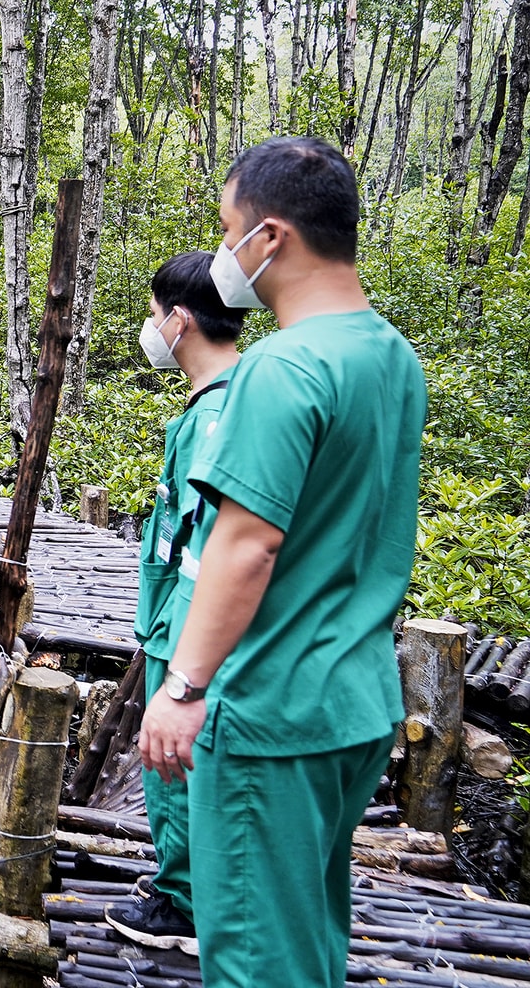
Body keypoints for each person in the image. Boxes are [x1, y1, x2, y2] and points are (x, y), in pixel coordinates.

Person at [138, 137, 426, 988]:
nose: (223, 252)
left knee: (258, 957)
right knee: (306, 936)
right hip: (357, 700)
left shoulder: (282, 367)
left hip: (271, 708)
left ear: (270, 238)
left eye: (227, 231)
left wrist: (183, 687)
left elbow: (248, 541)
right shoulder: (391, 356)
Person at [104, 251, 246, 955]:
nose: (151, 327)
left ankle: (184, 903)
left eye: (155, 314)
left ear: (180, 320)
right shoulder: (223, 404)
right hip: (174, 621)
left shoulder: (219, 416)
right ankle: (185, 887)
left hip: (186, 628)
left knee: (172, 766)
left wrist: (187, 667)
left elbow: (221, 543)